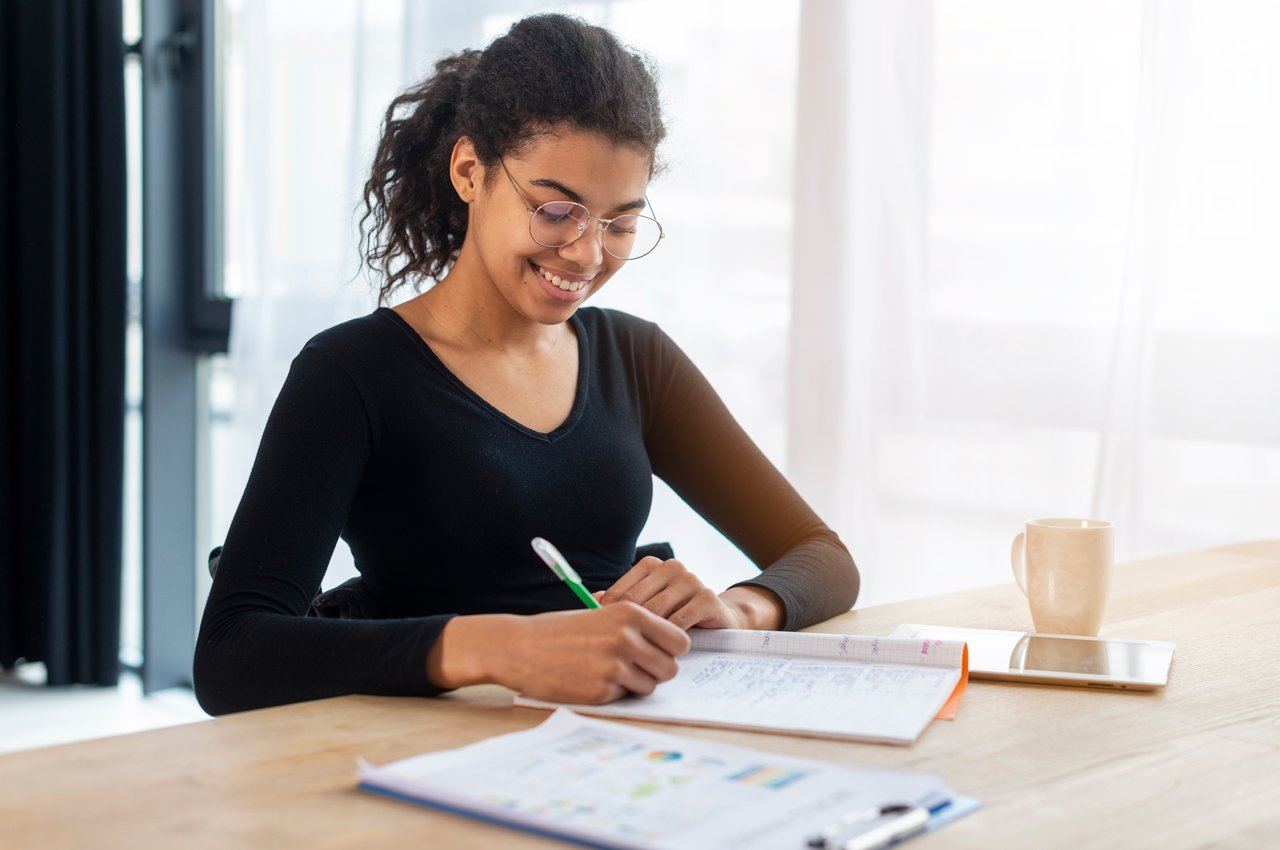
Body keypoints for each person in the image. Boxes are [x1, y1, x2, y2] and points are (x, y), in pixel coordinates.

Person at [193, 13, 858, 716]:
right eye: (555, 210)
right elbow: (233, 657)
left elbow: (823, 557)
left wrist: (738, 608)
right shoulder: (351, 374)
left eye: (620, 223)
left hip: (614, 747)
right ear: (470, 171)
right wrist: (501, 649)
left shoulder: (637, 358)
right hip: (428, 759)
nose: (586, 254)